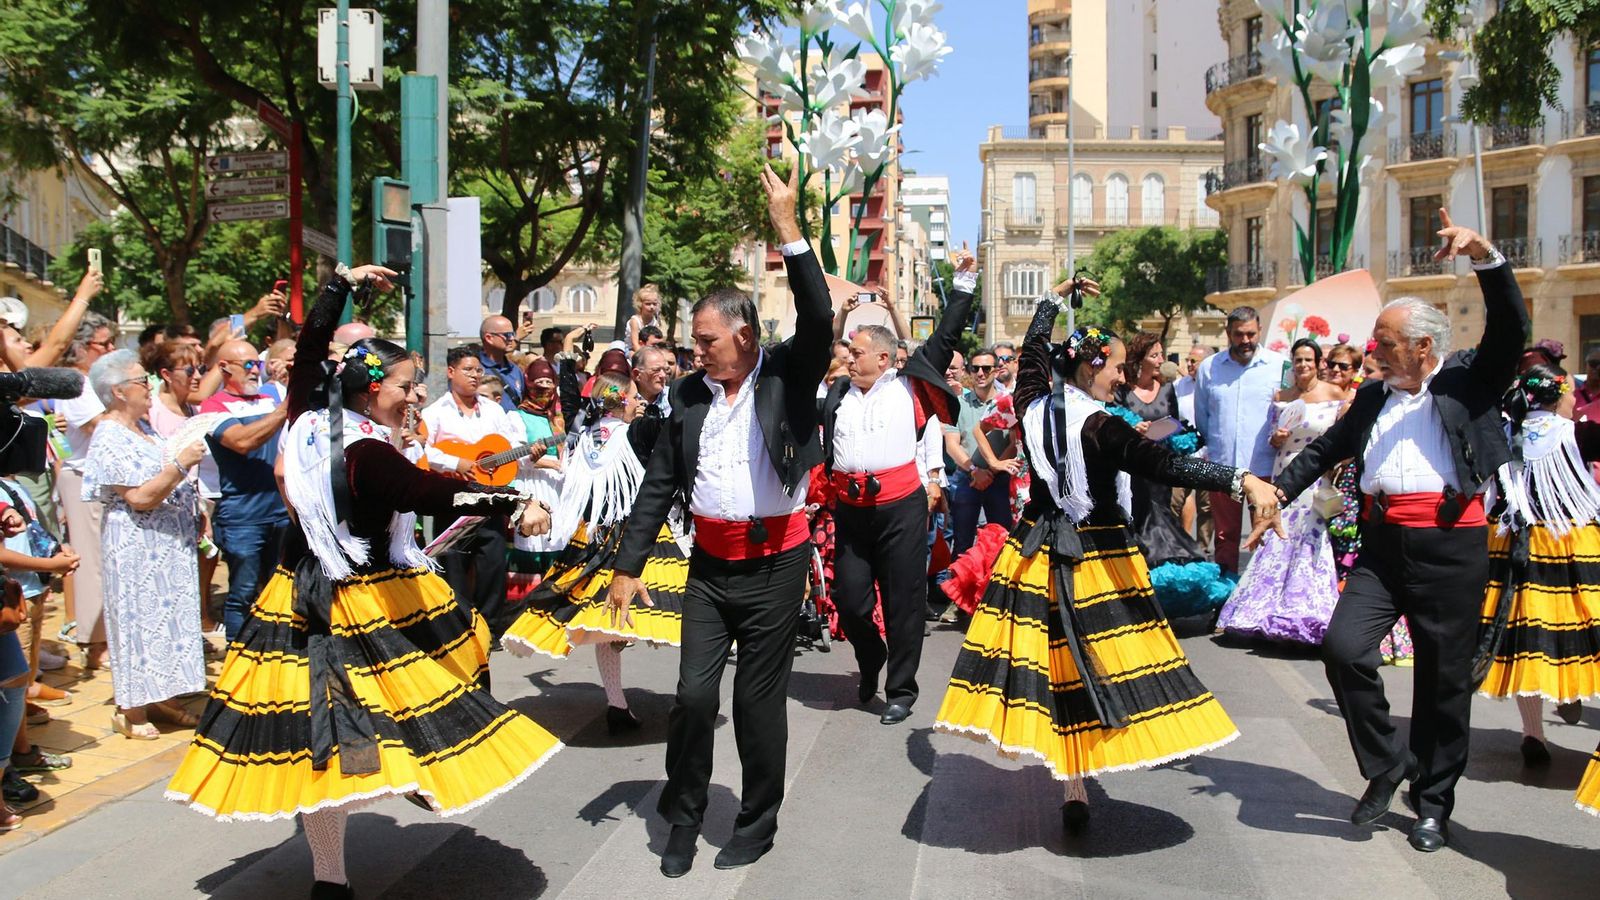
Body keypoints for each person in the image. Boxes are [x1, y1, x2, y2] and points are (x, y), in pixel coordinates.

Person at [166, 264, 561, 898]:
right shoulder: (366, 452)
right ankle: (348, 856)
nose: (415, 395)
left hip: (303, 587)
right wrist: (514, 502)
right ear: (372, 388)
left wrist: (339, 284)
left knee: (334, 733)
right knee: (334, 738)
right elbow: (431, 492)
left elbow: (309, 353)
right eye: (406, 385)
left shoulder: (309, 416)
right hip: (353, 598)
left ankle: (339, 866)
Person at [935, 288, 1282, 833]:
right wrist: (1242, 480)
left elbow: (1033, 352)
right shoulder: (1102, 425)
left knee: (1054, 665)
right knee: (1106, 660)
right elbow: (1165, 465)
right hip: (1094, 554)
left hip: (1035, 549)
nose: (1122, 377)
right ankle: (1079, 776)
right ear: (1093, 367)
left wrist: (1052, 301)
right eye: (1117, 367)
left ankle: (1073, 782)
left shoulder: (1032, 403)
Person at [1259, 210, 1526, 853]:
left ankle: (1433, 804)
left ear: (1422, 347)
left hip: (1450, 547)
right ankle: (1387, 762)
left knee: (1443, 683)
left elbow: (1511, 328)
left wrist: (1484, 256)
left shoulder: (1469, 381)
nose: (1372, 352)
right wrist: (1278, 490)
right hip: (1382, 547)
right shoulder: (1375, 397)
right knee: (1344, 650)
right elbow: (1329, 449)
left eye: (1384, 343)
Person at [605, 163, 829, 877]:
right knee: (694, 697)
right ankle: (684, 816)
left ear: (746, 335)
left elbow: (818, 314)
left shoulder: (787, 374)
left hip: (776, 565)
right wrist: (626, 566)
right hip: (708, 568)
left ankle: (757, 823)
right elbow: (659, 483)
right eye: (694, 341)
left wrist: (788, 229)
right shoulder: (687, 397)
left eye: (707, 340)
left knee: (757, 705)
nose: (695, 351)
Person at [820, 246, 975, 726]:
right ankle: (870, 656)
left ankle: (901, 690)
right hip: (851, 511)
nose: (849, 358)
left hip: (901, 508)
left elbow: (945, 336)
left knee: (904, 602)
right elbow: (819, 353)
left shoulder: (910, 387)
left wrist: (963, 282)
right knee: (850, 600)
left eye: (857, 352)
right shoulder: (838, 393)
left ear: (884, 358)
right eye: (848, 352)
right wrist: (838, 318)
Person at [503, 360, 684, 732]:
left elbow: (571, 401)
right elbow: (673, 422)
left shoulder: (583, 433)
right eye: (635, 398)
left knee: (606, 621)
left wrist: (569, 365)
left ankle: (617, 703)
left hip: (590, 536)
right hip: (636, 536)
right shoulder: (638, 432)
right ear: (623, 401)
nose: (640, 404)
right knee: (678, 611)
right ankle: (690, 697)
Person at [80, 350, 208, 739]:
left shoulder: (144, 428)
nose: (150, 386)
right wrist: (181, 464)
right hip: (137, 545)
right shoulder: (108, 435)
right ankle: (132, 710)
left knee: (165, 623)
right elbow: (137, 496)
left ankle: (163, 696)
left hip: (166, 543)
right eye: (142, 381)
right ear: (119, 391)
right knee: (137, 623)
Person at [1477, 364, 1600, 765]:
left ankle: (1534, 732)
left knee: (1527, 636)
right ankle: (1569, 691)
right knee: (1583, 624)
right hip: (1570, 539)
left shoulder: (1505, 432)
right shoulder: (1576, 433)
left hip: (1517, 542)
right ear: (1560, 395)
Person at [1218, 338, 1346, 643]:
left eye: (1308, 360)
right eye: (1298, 359)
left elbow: (1343, 436)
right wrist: (1276, 437)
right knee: (1278, 534)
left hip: (1315, 475)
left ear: (1318, 363)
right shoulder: (1282, 395)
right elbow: (1271, 439)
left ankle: (1304, 607)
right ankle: (1263, 608)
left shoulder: (1334, 393)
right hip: (1284, 470)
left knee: (1310, 537)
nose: (1303, 365)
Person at [421, 345, 530, 638]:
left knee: (492, 562)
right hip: (453, 497)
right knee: (453, 564)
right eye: (468, 370)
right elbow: (423, 449)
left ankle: (490, 628)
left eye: (478, 370)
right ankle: (458, 628)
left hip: (489, 495)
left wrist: (524, 453)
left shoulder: (493, 410)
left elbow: (509, 445)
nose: (474, 375)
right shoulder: (435, 412)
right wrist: (456, 462)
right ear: (451, 372)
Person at [1112, 332, 1221, 619]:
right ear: (1140, 359)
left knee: (1161, 516)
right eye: (1155, 355)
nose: (1161, 360)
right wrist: (1132, 427)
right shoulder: (1123, 390)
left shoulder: (1168, 389)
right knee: (1137, 519)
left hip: (1159, 466)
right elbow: (1112, 419)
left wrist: (1164, 432)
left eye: (1161, 354)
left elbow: (1175, 424)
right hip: (1131, 468)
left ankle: (1162, 590)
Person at [201, 339, 291, 641]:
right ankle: (237, 655)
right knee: (243, 591)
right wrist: (284, 410)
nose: (256, 371)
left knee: (278, 590)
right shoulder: (213, 406)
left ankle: (275, 654)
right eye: (249, 364)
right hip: (243, 517)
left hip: (280, 512)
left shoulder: (268, 399)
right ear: (224, 368)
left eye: (259, 364)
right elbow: (242, 441)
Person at [1194, 307, 1284, 574]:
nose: (1245, 340)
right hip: (1223, 467)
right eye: (1239, 334)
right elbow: (1202, 418)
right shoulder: (1210, 368)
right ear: (1228, 333)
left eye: (1251, 334)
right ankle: (1226, 591)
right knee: (1225, 536)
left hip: (1264, 467)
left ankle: (1261, 592)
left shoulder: (1278, 366)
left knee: (1265, 532)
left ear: (1260, 331)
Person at [55, 311, 119, 667]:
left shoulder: (92, 382)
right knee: (91, 563)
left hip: (98, 479)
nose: (110, 349)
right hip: (82, 478)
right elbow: (99, 426)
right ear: (81, 347)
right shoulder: (76, 383)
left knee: (104, 561)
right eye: (103, 344)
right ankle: (94, 644)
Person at [944, 348, 1013, 557]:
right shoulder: (958, 404)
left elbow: (1014, 442)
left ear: (996, 371)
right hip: (967, 478)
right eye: (975, 368)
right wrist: (975, 471)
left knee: (1002, 542)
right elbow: (952, 445)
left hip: (1000, 480)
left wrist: (992, 471)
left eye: (986, 368)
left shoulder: (1007, 403)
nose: (980, 373)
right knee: (962, 544)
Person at [509, 357, 568, 577]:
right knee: (533, 543)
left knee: (559, 542)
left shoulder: (560, 418)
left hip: (560, 487)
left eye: (548, 382)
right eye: (538, 382)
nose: (544, 387)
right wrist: (549, 462)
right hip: (533, 485)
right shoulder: (516, 416)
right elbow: (516, 454)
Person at [1170, 345, 1215, 547]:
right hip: (1183, 452)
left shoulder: (1215, 385)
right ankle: (1176, 546)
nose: (1188, 364)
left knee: (1207, 506)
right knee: (1174, 501)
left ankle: (1203, 548)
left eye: (1193, 361)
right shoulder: (1179, 386)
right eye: (1187, 360)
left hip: (1209, 453)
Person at [478, 315, 526, 410]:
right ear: (489, 338)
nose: (512, 338)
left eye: (513, 334)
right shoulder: (475, 369)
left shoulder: (515, 370)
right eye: (507, 335)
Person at [633, 344, 673, 417]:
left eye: (665, 370)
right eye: (656, 370)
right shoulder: (626, 402)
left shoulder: (673, 398)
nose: (663, 375)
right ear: (637, 374)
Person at [625, 283, 664, 351]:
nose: (652, 307)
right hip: (632, 349)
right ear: (640, 304)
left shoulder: (655, 322)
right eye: (648, 304)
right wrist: (644, 355)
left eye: (654, 304)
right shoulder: (635, 321)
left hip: (648, 349)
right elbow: (635, 343)